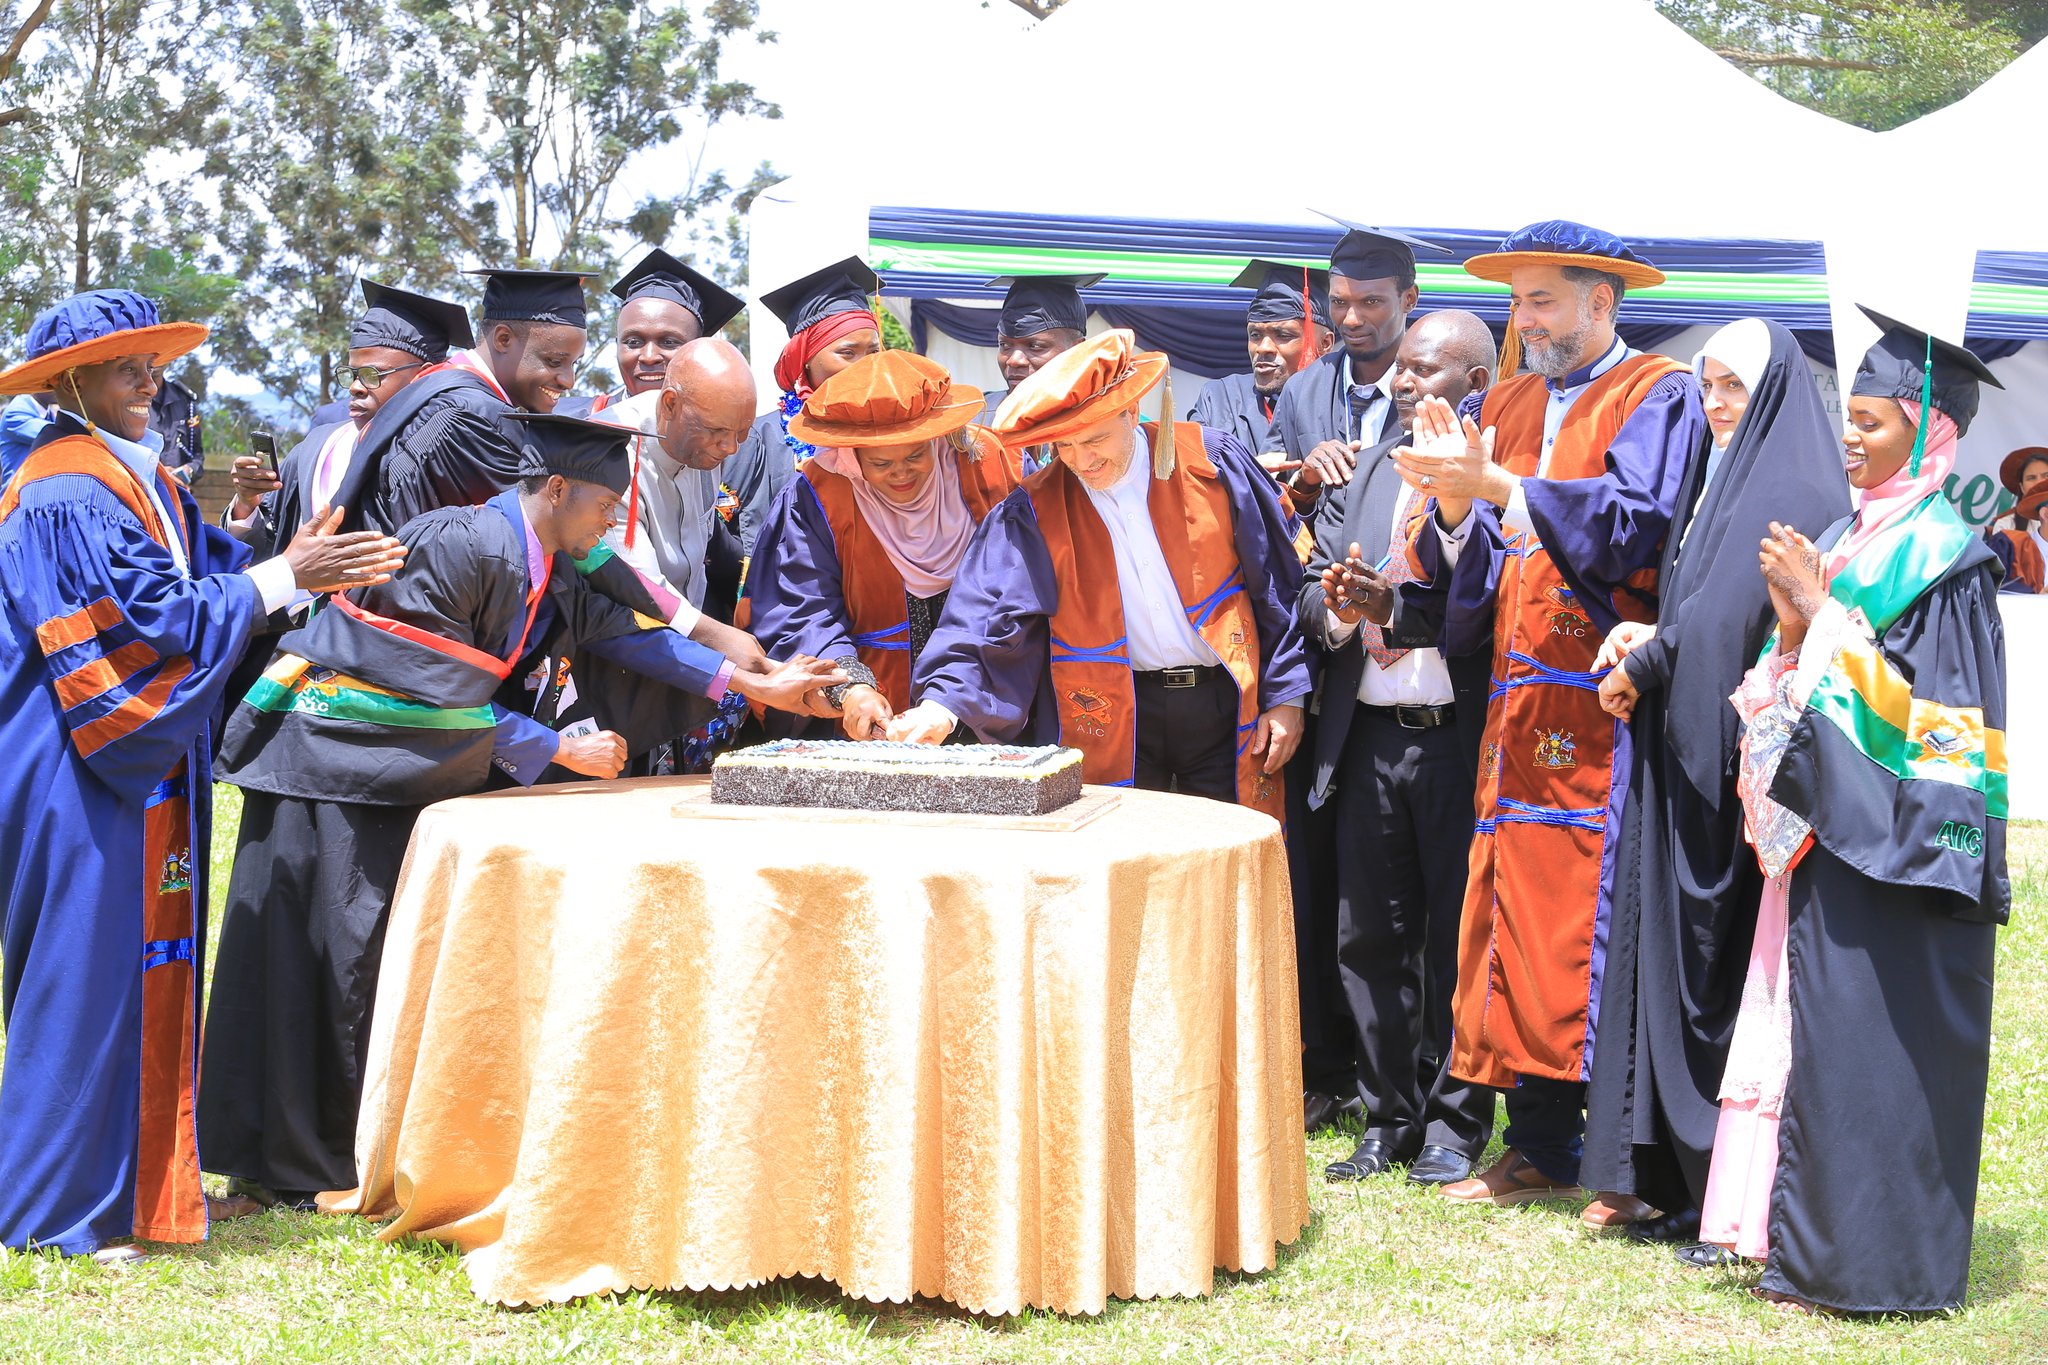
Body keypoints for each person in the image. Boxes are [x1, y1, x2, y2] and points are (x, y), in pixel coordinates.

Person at [199, 412, 842, 1206]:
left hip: (387, 774)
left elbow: (627, 637)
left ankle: (348, 1151)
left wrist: (750, 684)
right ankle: (290, 1167)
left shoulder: (551, 560)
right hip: (328, 760)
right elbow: (412, 686)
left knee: (369, 964)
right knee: (318, 966)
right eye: (607, 505)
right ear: (560, 488)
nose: (613, 521)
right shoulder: (456, 544)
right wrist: (552, 746)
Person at [0, 290, 404, 1261]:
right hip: (74, 763)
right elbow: (150, 622)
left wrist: (305, 571)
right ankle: (51, 1211)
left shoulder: (137, 481)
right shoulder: (62, 488)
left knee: (134, 975)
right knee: (81, 978)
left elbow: (219, 574)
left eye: (153, 366)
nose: (151, 383)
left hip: (129, 767)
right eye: (125, 369)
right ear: (68, 384)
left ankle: (136, 1189)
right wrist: (282, 581)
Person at [1390, 221, 1707, 1210]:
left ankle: (1617, 1159)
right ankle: (1535, 1147)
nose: (1521, 322)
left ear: (1599, 302)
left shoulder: (1657, 394)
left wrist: (1498, 486)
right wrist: (1450, 510)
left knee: (1603, 924)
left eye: (1540, 303)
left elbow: (1634, 525)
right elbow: (1476, 557)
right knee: (1511, 918)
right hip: (1516, 702)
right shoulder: (1507, 399)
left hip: (1611, 704)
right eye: (1514, 304)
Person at [1696, 310, 2006, 1314]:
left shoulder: (1946, 557)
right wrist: (1793, 630)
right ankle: (1792, 1245)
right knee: (1812, 1035)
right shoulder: (1844, 534)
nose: (1850, 439)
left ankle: (1867, 1265)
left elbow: (1944, 731)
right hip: (1830, 824)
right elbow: (1796, 675)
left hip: (1905, 847)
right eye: (1848, 419)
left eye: (1871, 422)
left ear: (1929, 433)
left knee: (1873, 1046)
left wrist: (1819, 615)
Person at [1579, 319, 1849, 1240]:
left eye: (1733, 386)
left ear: (1772, 389)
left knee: (1713, 958)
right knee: (1664, 946)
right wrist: (1647, 643)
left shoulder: (1795, 484)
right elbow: (1693, 596)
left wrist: (1650, 664)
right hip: (1683, 740)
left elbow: (1735, 611)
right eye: (1706, 385)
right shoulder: (1722, 467)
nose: (1715, 403)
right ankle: (1663, 1173)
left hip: (1735, 762)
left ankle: (1708, 1183)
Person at [891, 329, 1309, 820]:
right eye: (1064, 445)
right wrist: (943, 705)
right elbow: (982, 615)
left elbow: (1276, 584)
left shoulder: (1212, 464)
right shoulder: (1034, 508)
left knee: (1226, 858)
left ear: (1132, 412)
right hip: (1116, 712)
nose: (1081, 461)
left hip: (1224, 700)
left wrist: (1287, 694)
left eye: (1094, 440)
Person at [1297, 310, 1499, 1188]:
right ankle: (1385, 1121)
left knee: (1458, 939)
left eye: (1430, 370)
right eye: (1403, 369)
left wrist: (1406, 597)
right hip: (1371, 739)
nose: (1407, 382)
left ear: (1477, 383)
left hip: (1461, 740)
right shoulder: (1369, 468)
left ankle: (1455, 1123)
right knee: (1369, 938)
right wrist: (1345, 604)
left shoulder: (1498, 485)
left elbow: (1488, 601)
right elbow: (1310, 595)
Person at [217, 281, 473, 711]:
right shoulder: (318, 445)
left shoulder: (434, 456)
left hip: (382, 657)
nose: (356, 387)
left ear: (426, 377)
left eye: (373, 375)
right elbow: (272, 543)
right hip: (290, 653)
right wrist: (246, 504)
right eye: (351, 373)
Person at [749, 350, 1022, 739]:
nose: (900, 473)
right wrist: (850, 686)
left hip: (981, 694)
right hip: (872, 709)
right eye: (879, 463)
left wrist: (951, 700)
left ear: (939, 438)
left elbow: (1011, 593)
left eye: (915, 455)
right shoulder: (821, 493)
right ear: (853, 455)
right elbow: (803, 606)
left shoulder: (989, 467)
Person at [330, 267, 592, 535]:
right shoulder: (472, 417)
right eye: (555, 362)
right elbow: (543, 529)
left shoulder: (438, 385)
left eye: (574, 363)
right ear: (503, 339)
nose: (568, 380)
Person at [1271, 218, 1441, 519]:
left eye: (1371, 301)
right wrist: (1305, 480)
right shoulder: (1302, 391)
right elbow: (1271, 505)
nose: (1350, 319)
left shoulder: (1439, 390)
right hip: (1320, 565)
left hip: (1411, 564)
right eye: (1339, 302)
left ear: (1409, 299)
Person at [724, 257, 884, 555]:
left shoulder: (891, 431)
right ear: (804, 357)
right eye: (847, 353)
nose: (865, 367)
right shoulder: (760, 439)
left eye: (873, 352)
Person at [558, 247, 744, 416]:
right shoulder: (570, 423)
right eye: (633, 342)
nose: (648, 357)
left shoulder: (730, 440)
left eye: (669, 342)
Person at [1191, 260, 1332, 457]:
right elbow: (1192, 469)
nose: (1263, 348)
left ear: (1325, 344)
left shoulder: (1339, 404)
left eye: (1283, 335)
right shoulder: (1219, 398)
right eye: (1255, 335)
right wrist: (1250, 472)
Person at [977, 272, 1104, 471]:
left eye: (1035, 346)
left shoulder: (1109, 424)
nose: (1014, 360)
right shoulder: (977, 420)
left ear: (1077, 350)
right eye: (1005, 345)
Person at [1987, 445, 2048, 593]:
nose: (2040, 482)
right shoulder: (2007, 538)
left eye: (2046, 476)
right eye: (2031, 478)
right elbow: (1996, 587)